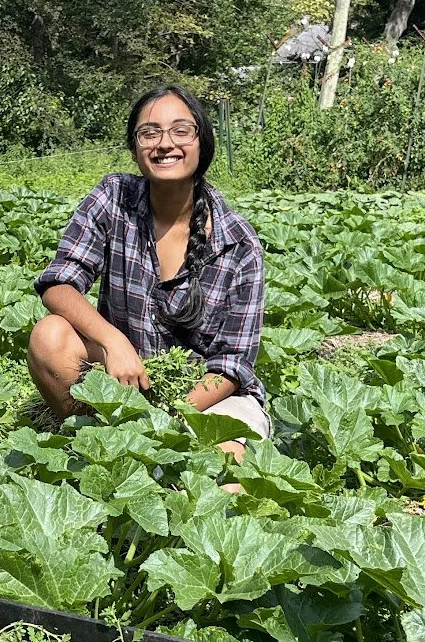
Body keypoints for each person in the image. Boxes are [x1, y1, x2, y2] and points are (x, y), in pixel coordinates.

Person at [27, 84, 267, 450]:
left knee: (224, 477)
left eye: (181, 131)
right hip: (123, 372)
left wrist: (166, 418)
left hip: (207, 396)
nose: (165, 143)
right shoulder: (113, 199)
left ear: (203, 143)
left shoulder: (237, 244)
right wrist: (113, 340)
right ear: (135, 149)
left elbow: (232, 365)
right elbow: (59, 283)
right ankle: (94, 445)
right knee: (50, 336)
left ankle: (126, 446)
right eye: (149, 133)